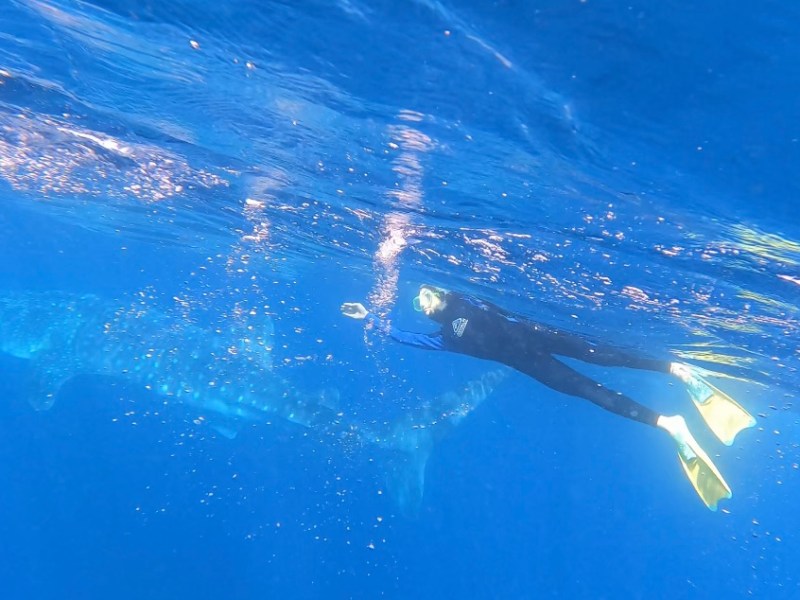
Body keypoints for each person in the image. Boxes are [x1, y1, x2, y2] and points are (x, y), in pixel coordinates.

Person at [341, 284, 756, 510]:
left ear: (442, 292)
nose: (424, 302)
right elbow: (405, 337)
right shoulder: (446, 337)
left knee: (604, 356)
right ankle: (668, 424)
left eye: (426, 294)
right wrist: (370, 318)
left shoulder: (466, 296)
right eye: (419, 303)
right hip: (536, 365)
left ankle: (676, 369)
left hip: (542, 337)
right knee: (591, 393)